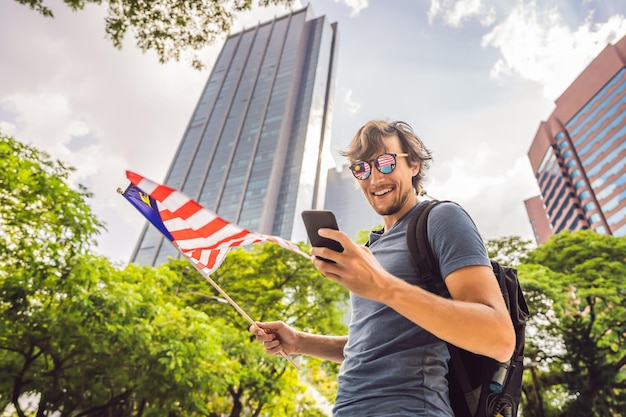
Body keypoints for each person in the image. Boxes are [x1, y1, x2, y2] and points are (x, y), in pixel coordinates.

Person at [250, 120, 515, 416]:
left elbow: (499, 338)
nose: (375, 178)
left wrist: (384, 287)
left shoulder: (441, 218)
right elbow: (377, 344)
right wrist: (300, 342)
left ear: (413, 164)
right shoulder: (370, 250)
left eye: (386, 163)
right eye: (362, 169)